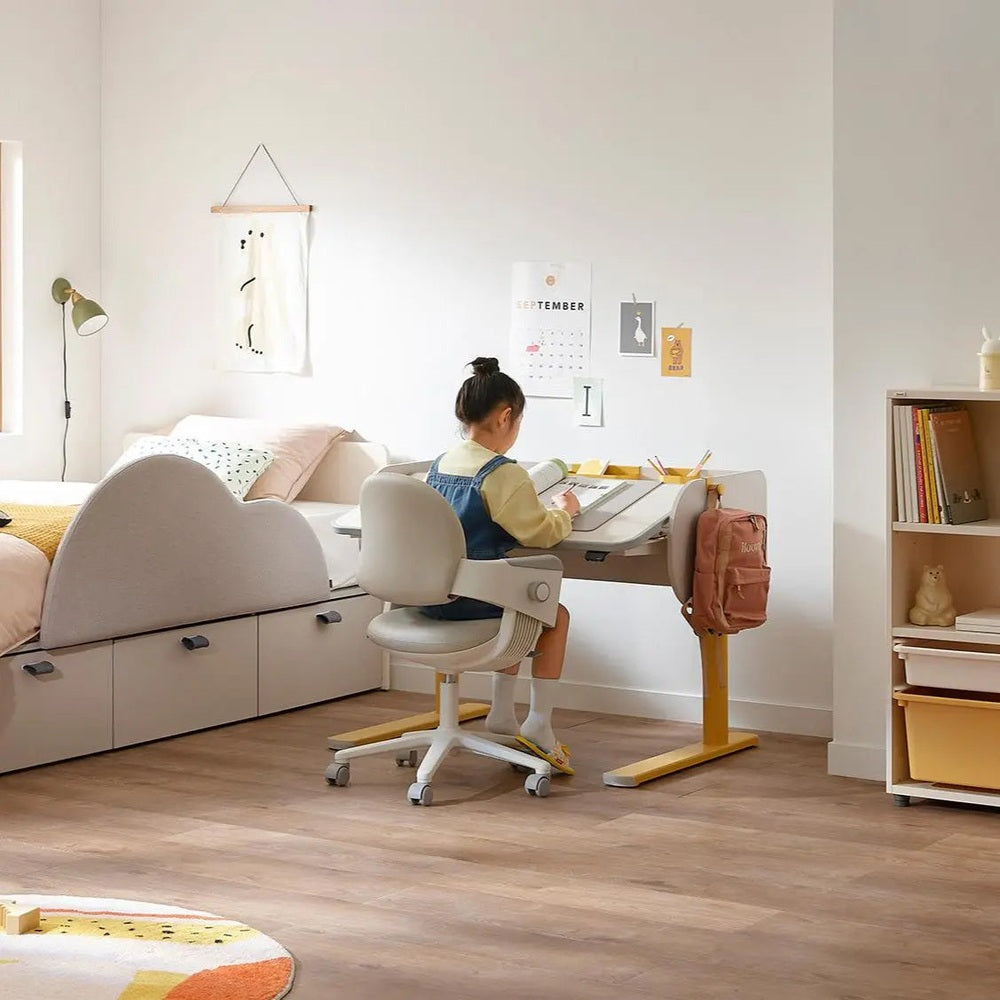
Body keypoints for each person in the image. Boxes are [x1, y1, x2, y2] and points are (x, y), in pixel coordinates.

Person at [422, 357, 579, 774]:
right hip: (474, 602)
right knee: (552, 614)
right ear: (506, 416)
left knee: (515, 600)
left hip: (432, 599)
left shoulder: (439, 465)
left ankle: (503, 714)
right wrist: (566, 511)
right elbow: (542, 533)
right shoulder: (501, 473)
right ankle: (539, 723)